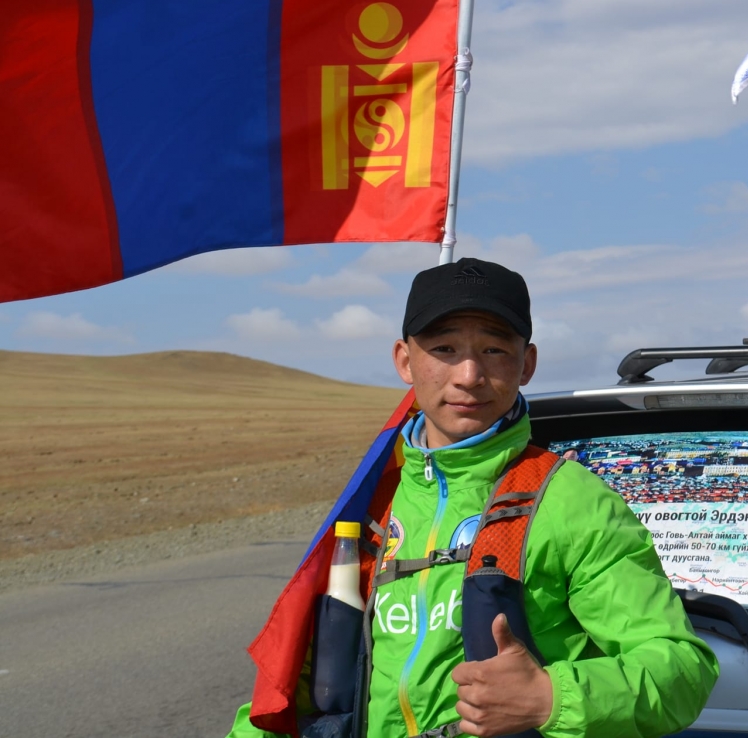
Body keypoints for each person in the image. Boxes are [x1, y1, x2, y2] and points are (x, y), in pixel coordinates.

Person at [229, 257, 718, 738]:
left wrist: (551, 697)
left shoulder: (574, 501)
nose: (468, 375)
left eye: (493, 351)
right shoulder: (373, 500)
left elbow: (680, 669)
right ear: (404, 360)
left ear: (526, 364)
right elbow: (297, 676)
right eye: (443, 348)